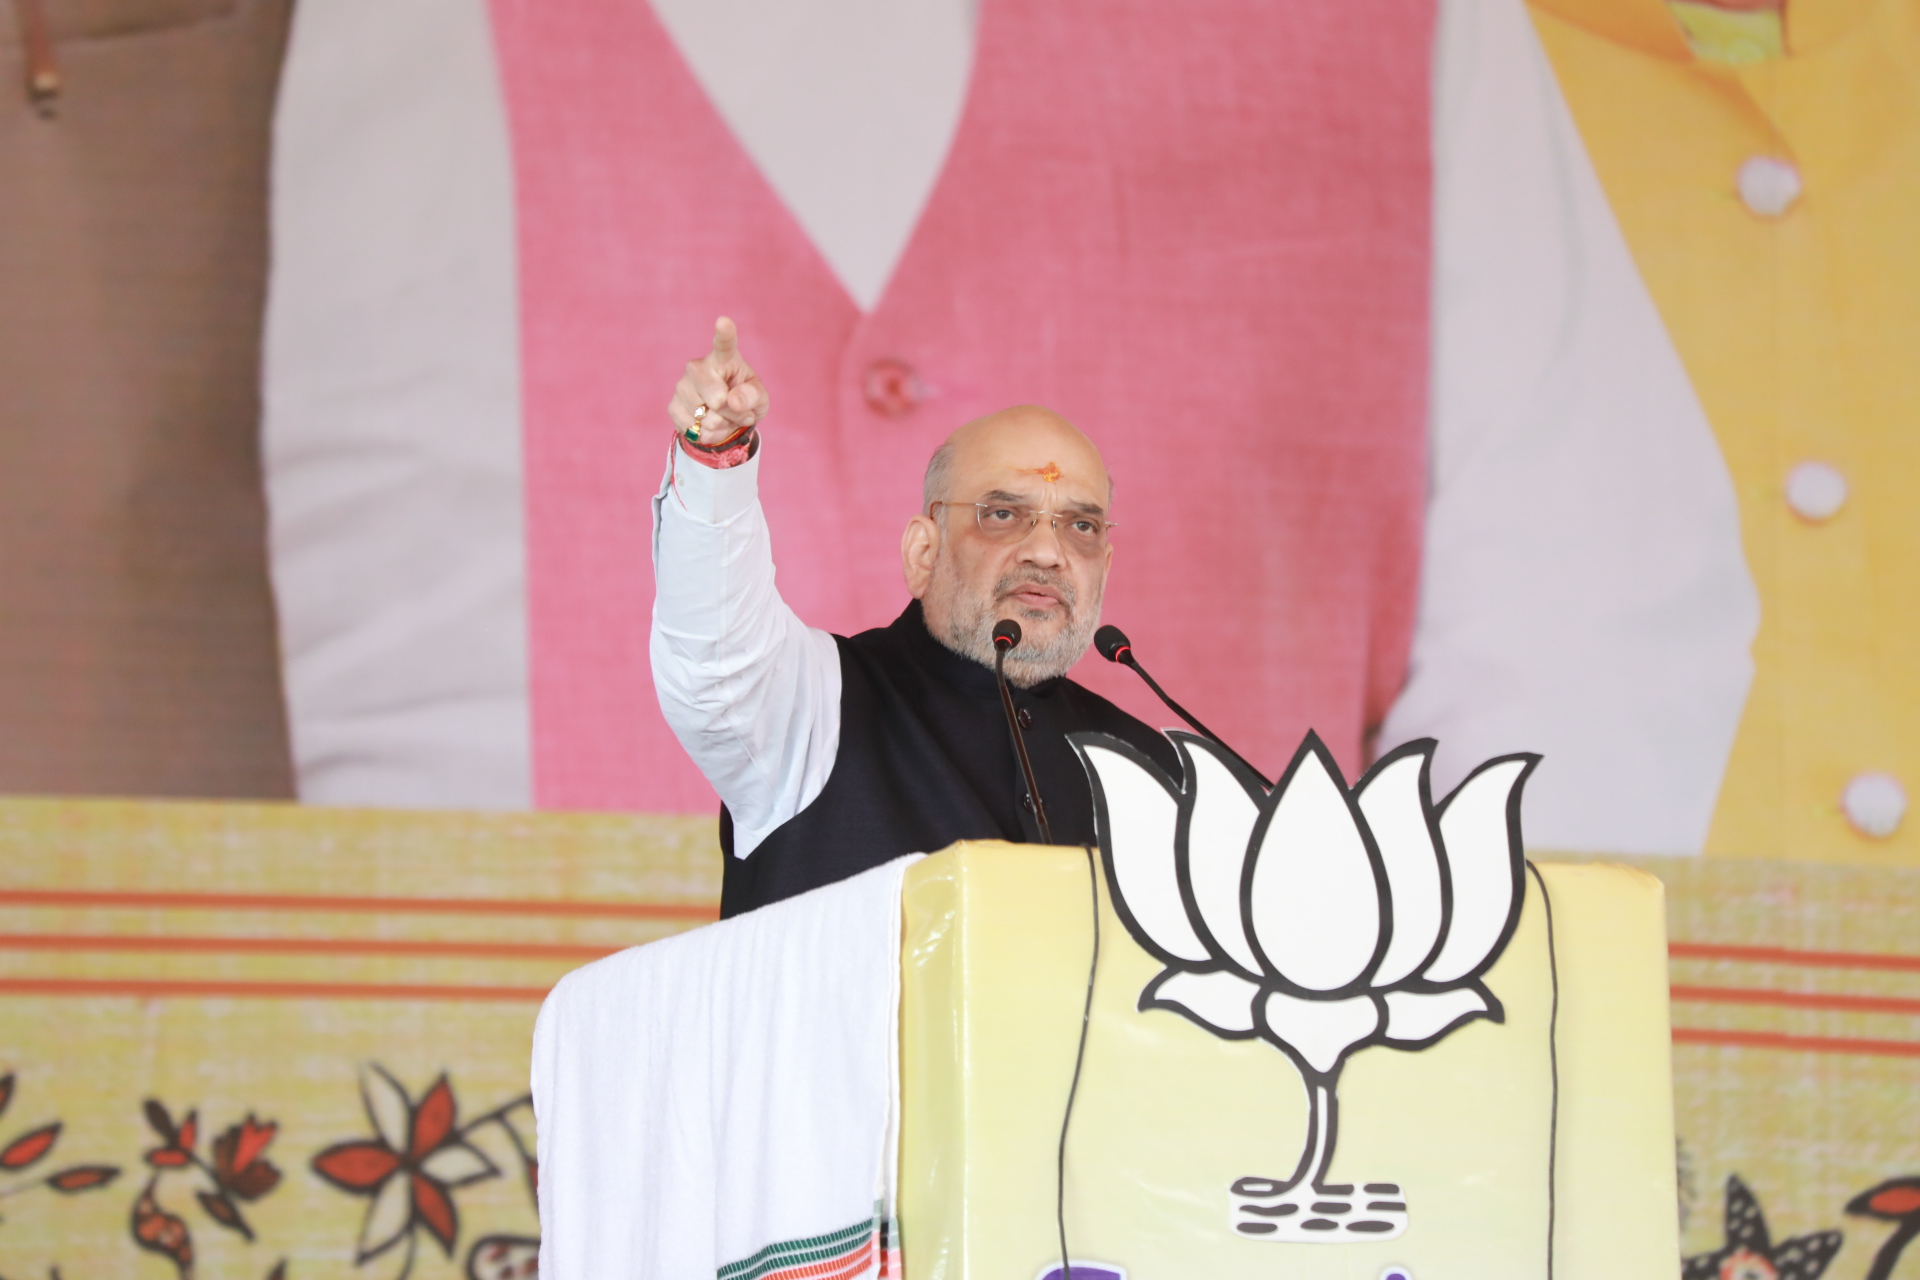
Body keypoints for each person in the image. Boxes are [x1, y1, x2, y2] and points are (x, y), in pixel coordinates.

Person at [653, 318, 1180, 915]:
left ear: (1105, 568)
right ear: (923, 553)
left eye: (1080, 526)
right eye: (1003, 514)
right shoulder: (811, 706)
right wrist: (715, 452)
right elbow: (714, 649)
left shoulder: (1156, 774)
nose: (1046, 552)